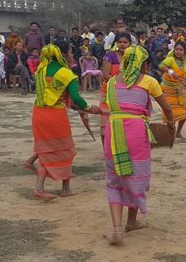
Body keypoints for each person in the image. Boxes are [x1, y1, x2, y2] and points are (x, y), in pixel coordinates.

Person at [103, 45, 174, 245]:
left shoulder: (111, 83)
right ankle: (131, 222)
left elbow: (112, 108)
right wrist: (170, 126)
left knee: (114, 180)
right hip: (136, 132)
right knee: (135, 176)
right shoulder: (149, 81)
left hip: (113, 131)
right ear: (145, 65)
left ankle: (118, 229)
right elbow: (167, 109)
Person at [31, 41, 101, 202]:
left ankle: (40, 188)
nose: (71, 55)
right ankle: (65, 189)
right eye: (70, 52)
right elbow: (76, 98)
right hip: (55, 115)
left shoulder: (41, 69)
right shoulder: (67, 74)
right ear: (62, 54)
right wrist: (90, 108)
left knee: (46, 151)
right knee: (65, 150)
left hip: (39, 113)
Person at [158, 41, 186, 139]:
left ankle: (178, 132)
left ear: (184, 52)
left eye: (181, 50)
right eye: (177, 49)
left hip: (179, 90)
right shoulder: (170, 60)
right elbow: (161, 65)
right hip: (167, 90)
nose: (179, 51)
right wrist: (170, 71)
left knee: (185, 111)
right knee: (171, 113)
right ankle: (171, 132)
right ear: (174, 50)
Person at [100, 32, 132, 143]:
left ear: (130, 44)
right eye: (120, 42)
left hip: (127, 92)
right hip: (109, 91)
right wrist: (119, 84)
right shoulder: (109, 56)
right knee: (106, 120)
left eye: (125, 42)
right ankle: (106, 148)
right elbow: (105, 75)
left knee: (124, 121)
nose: (122, 44)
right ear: (116, 43)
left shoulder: (133, 58)